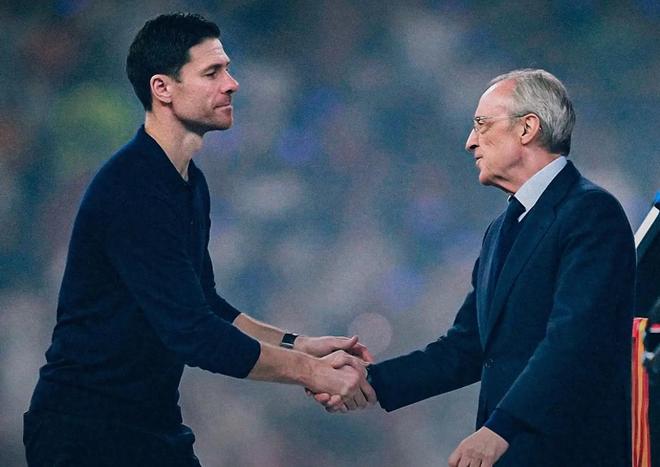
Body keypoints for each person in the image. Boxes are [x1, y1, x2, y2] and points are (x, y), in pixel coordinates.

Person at [24, 13, 375, 467]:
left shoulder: (188, 183)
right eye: (212, 73)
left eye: (227, 69)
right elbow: (193, 334)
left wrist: (297, 344)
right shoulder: (134, 188)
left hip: (148, 427)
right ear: (162, 88)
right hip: (86, 432)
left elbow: (204, 303)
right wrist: (313, 372)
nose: (232, 84)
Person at [316, 69, 636, 466]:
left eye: (482, 125)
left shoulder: (591, 213)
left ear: (527, 128)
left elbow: (575, 341)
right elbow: (468, 346)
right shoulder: (501, 229)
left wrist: (502, 428)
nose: (470, 141)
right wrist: (371, 380)